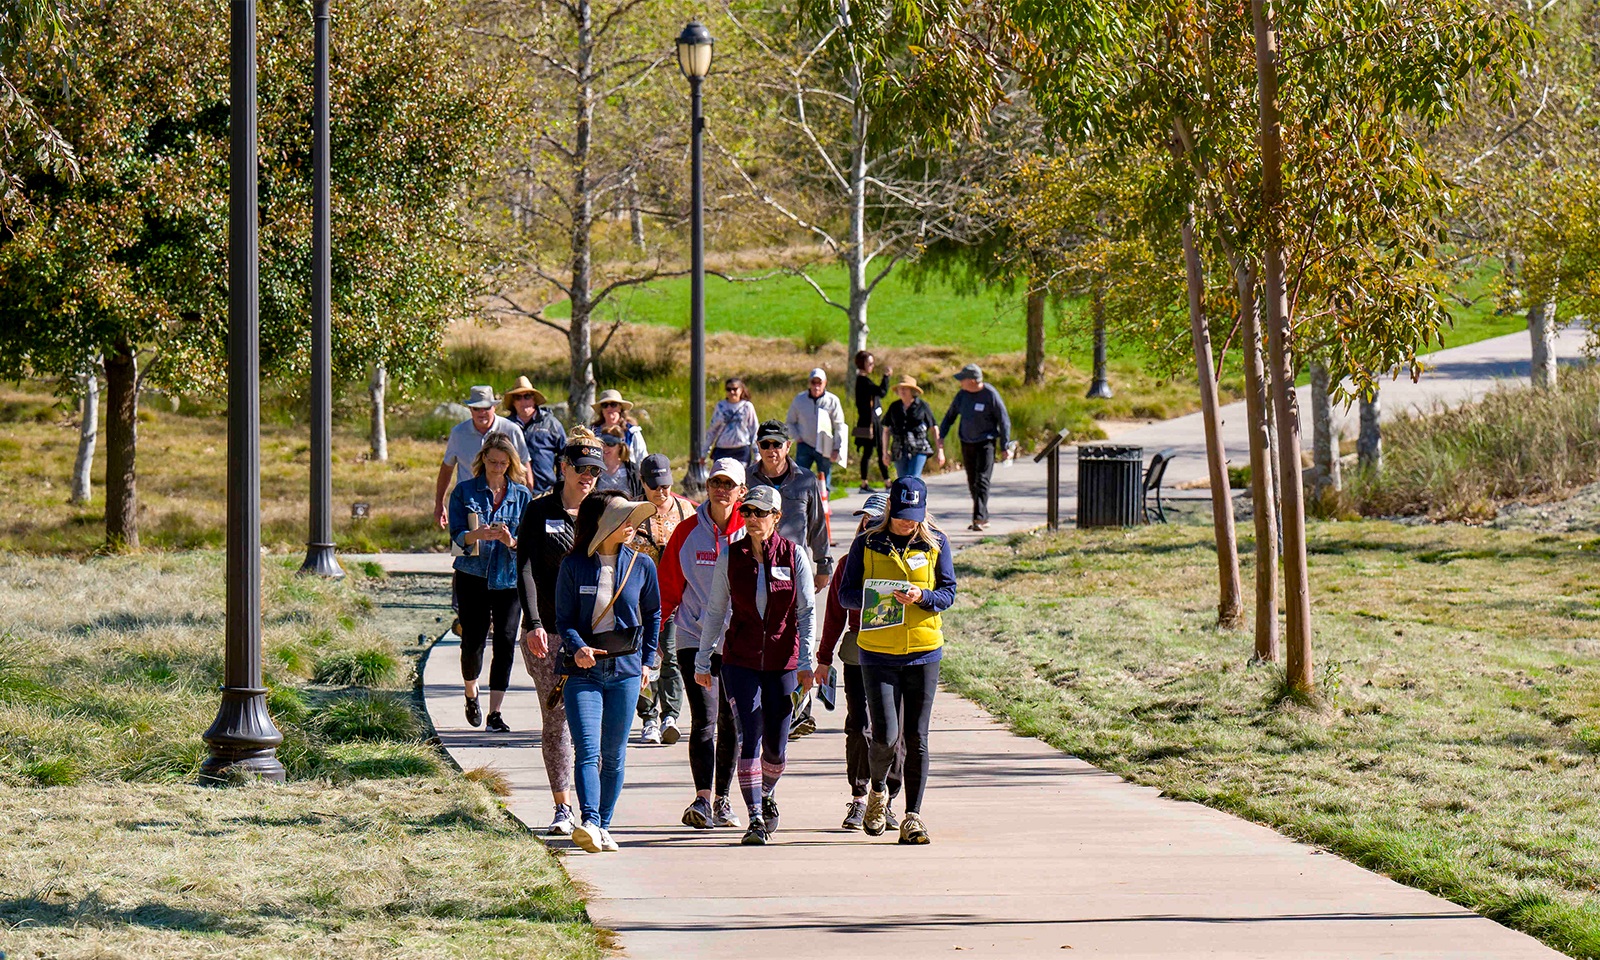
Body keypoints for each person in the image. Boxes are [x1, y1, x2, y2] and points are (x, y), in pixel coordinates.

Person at [693, 483, 817, 845]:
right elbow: (716, 611)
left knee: (776, 747)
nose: (751, 518)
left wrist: (806, 662)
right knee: (749, 735)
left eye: (759, 513)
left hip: (783, 660)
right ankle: (755, 819)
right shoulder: (731, 556)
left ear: (776, 517)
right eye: (746, 512)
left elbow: (806, 612)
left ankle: (767, 793)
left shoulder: (794, 556)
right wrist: (704, 659)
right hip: (740, 659)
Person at [837, 476, 958, 845]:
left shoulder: (935, 542)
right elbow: (845, 595)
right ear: (890, 508)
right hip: (877, 653)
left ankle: (913, 816)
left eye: (914, 516)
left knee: (916, 736)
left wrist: (923, 595)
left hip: (924, 652)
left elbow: (948, 592)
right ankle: (876, 793)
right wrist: (876, 599)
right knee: (886, 735)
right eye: (903, 515)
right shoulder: (867, 542)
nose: (908, 523)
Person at [554, 491, 661, 853]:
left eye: (633, 518)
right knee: (586, 749)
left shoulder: (642, 565)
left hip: (626, 672)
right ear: (601, 524)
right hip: (583, 671)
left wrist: (648, 661)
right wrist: (577, 646)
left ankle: (604, 825)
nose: (631, 525)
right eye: (622, 518)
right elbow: (563, 620)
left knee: (614, 755)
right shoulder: (573, 566)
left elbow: (654, 615)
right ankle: (590, 822)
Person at [515, 428, 602, 838]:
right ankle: (563, 806)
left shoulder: (604, 511)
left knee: (593, 723)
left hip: (595, 636)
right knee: (557, 720)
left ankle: (594, 809)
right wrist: (533, 624)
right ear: (564, 467)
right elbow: (526, 570)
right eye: (581, 468)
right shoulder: (538, 511)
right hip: (548, 633)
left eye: (595, 471)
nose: (588, 476)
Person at [658, 458, 747, 830]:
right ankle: (702, 799)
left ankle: (724, 800)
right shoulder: (685, 532)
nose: (721, 490)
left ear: (741, 491)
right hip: (694, 638)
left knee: (731, 721)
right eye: (715, 482)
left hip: (739, 644)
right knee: (705, 719)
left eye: (729, 484)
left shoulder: (751, 531)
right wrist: (656, 640)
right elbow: (666, 589)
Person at [817, 493, 905, 831]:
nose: (868, 525)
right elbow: (835, 614)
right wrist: (823, 660)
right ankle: (858, 798)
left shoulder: (906, 560)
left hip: (898, 651)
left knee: (894, 730)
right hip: (858, 648)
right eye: (865, 519)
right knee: (858, 725)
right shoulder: (847, 563)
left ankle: (887, 800)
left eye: (876, 520)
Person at [448, 432, 533, 735]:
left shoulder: (522, 496)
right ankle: (472, 694)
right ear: (483, 458)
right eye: (493, 461)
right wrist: (476, 535)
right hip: (472, 575)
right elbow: (456, 540)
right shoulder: (464, 491)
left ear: (511, 463)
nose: (497, 468)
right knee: (472, 641)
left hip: (508, 579)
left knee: (506, 643)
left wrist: (512, 541)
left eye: (503, 463)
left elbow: (529, 544)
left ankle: (495, 712)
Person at [630, 454, 695, 745]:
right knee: (640, 659)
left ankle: (670, 714)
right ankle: (648, 717)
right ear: (642, 482)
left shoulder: (686, 510)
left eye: (666, 485)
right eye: (655, 486)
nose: (661, 492)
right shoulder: (630, 510)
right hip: (635, 600)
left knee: (669, 656)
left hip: (672, 598)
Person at [748, 420, 832, 593]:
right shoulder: (746, 479)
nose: (771, 450)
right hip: (754, 567)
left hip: (794, 566)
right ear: (758, 446)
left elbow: (817, 525)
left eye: (777, 444)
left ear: (788, 446)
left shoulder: (806, 479)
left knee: (798, 618)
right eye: (765, 444)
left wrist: (823, 565)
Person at [434, 384, 529, 529]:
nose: (481, 412)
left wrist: (527, 504)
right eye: (476, 408)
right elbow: (447, 468)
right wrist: (439, 503)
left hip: (506, 506)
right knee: (464, 546)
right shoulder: (458, 433)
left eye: (486, 408)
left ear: (494, 408)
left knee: (507, 548)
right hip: (468, 504)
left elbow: (525, 470)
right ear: (470, 409)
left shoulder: (512, 430)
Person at [938, 363, 1014, 531]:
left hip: (986, 443)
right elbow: (950, 416)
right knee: (973, 481)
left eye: (962, 379)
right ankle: (983, 516)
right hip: (966, 442)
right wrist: (941, 436)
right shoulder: (962, 395)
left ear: (972, 380)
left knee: (982, 480)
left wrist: (1004, 446)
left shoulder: (990, 394)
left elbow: (1004, 420)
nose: (960, 383)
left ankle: (978, 518)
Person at [784, 367, 848, 488]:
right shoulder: (799, 400)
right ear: (809, 383)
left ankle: (824, 503)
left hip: (825, 447)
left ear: (825, 383)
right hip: (805, 445)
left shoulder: (832, 400)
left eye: (819, 382)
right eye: (813, 382)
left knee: (824, 478)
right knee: (799, 478)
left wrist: (836, 448)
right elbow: (790, 422)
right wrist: (797, 438)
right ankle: (801, 504)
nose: (816, 386)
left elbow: (839, 425)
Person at [504, 375, 567, 495]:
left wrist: (562, 484)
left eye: (527, 396)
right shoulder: (506, 426)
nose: (523, 401)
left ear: (534, 399)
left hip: (546, 491)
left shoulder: (551, 423)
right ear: (513, 402)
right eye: (518, 397)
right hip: (511, 492)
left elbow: (564, 454)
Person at [882, 375, 943, 480]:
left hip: (919, 447)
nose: (902, 391)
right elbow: (886, 430)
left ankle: (916, 495)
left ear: (912, 390)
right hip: (899, 448)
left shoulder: (922, 406)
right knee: (902, 480)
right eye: (900, 388)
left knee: (913, 478)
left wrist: (940, 451)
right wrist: (885, 452)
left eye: (905, 388)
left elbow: (934, 428)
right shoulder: (894, 407)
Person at [853, 351, 892, 493]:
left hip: (866, 422)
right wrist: (886, 377)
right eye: (870, 363)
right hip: (872, 423)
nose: (872, 366)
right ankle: (887, 482)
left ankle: (865, 482)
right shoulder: (864, 381)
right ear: (862, 364)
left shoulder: (861, 381)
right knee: (880, 450)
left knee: (868, 453)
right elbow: (882, 391)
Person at [705, 378, 759, 466]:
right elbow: (712, 429)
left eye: (735, 389)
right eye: (729, 389)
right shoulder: (721, 406)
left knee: (740, 477)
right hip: (722, 449)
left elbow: (754, 430)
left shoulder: (747, 406)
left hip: (741, 449)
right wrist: (704, 452)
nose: (732, 392)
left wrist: (757, 454)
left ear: (741, 390)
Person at [592, 388, 649, 464]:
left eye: (613, 404)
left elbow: (641, 457)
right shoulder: (593, 432)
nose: (609, 408)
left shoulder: (631, 432)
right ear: (601, 410)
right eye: (605, 405)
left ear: (620, 408)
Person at [596, 425, 645, 499]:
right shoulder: (595, 468)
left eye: (610, 444)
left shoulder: (632, 470)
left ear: (619, 446)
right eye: (603, 444)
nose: (605, 447)